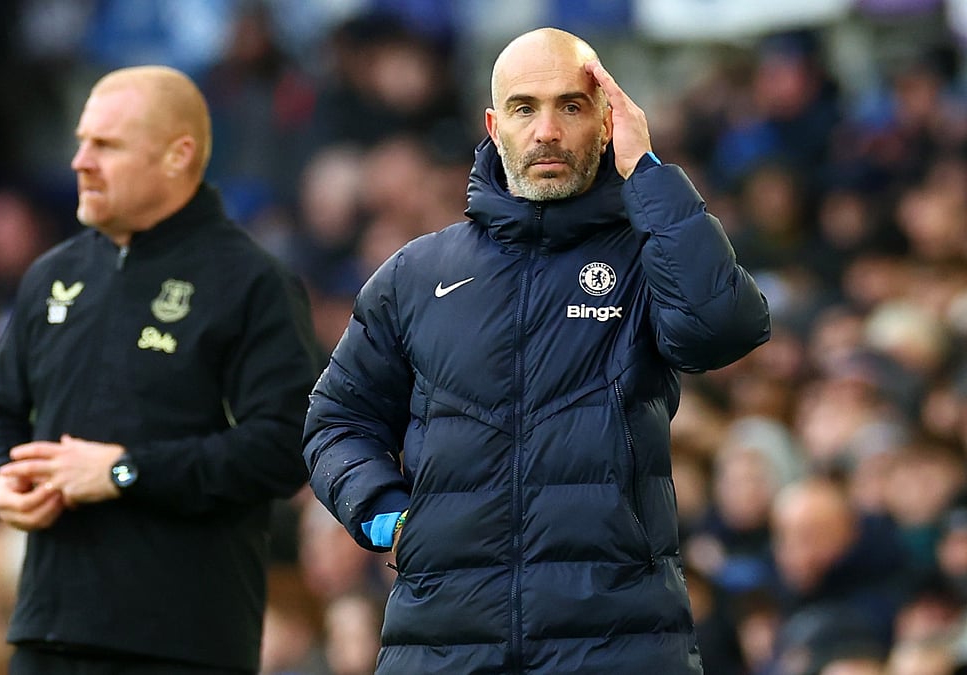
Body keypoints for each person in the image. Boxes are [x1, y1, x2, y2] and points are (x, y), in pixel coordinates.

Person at [303, 28, 771, 673]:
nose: (546, 129)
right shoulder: (415, 275)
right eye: (525, 108)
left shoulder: (648, 254)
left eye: (570, 107)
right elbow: (336, 421)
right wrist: (388, 516)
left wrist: (650, 176)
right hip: (442, 642)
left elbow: (723, 328)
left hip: (619, 641)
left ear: (608, 124)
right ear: (494, 126)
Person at [0, 65, 322, 673]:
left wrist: (128, 471)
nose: (80, 161)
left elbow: (288, 446)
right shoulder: (52, 274)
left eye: (106, 145)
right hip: (48, 632)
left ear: (176, 156)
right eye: (81, 141)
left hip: (181, 641)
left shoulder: (252, 283)